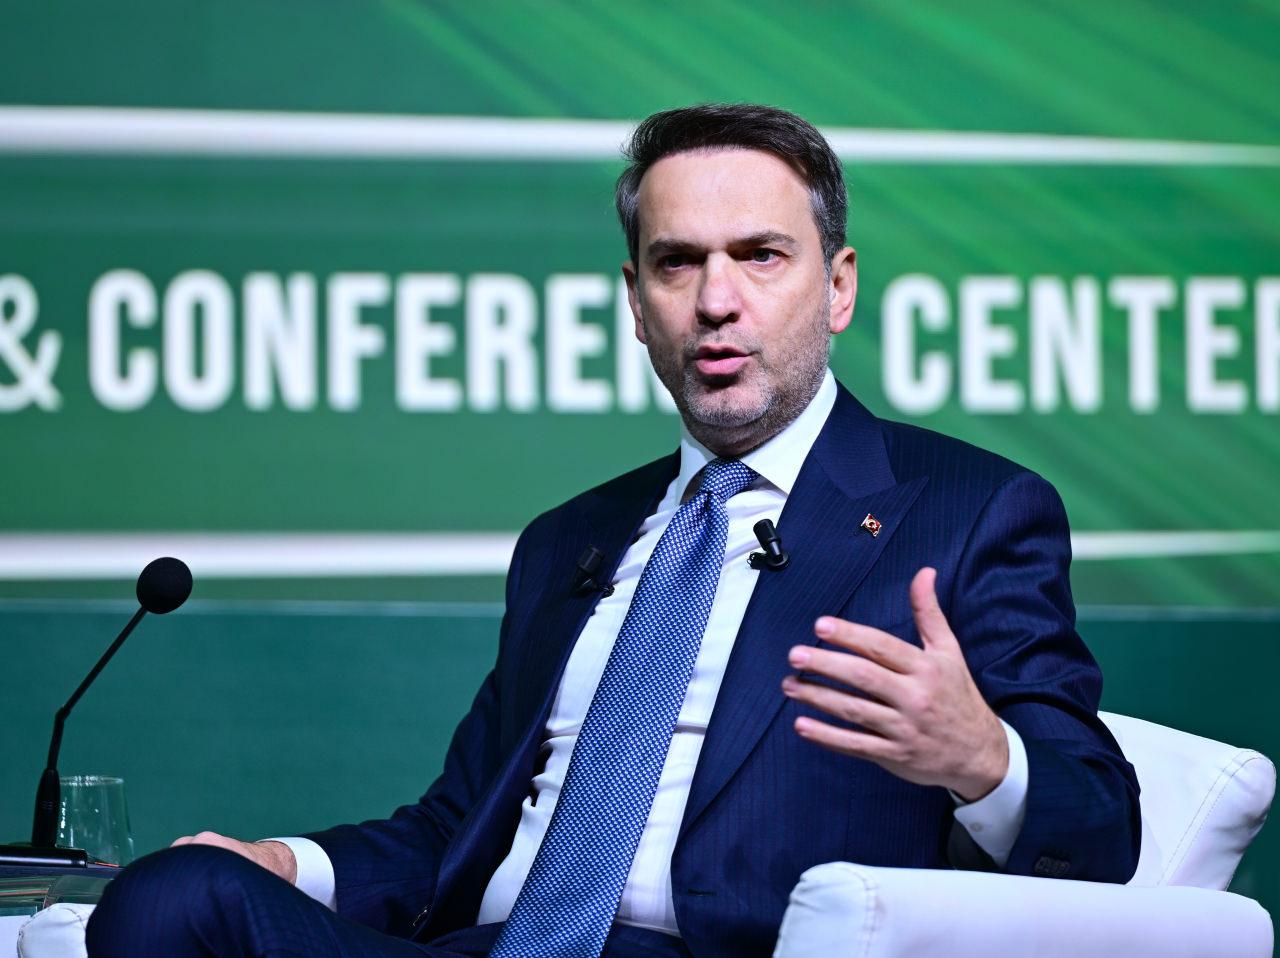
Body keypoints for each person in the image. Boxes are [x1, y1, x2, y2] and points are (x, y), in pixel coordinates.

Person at [86, 103, 1140, 958]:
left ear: (837, 286)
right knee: (173, 897)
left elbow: (1101, 826)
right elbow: (457, 827)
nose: (716, 301)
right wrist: (287, 864)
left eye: (761, 256)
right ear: (636, 302)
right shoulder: (569, 540)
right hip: (491, 948)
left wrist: (982, 759)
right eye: (677, 263)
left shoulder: (966, 509)